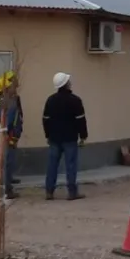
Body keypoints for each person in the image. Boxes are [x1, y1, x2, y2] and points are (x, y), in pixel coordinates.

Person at [42, 72, 88, 200]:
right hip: (70, 138)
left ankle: (49, 191)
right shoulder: (75, 100)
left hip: (54, 138)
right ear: (66, 84)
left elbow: (45, 119)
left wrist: (48, 135)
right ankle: (72, 192)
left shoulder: (50, 100)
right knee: (71, 166)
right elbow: (81, 120)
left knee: (52, 165)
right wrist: (83, 136)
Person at [0, 70, 23, 199]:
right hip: (7, 137)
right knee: (7, 164)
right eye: (10, 87)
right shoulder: (10, 105)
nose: (13, 89)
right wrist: (14, 136)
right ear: (5, 89)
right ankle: (7, 191)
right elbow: (12, 122)